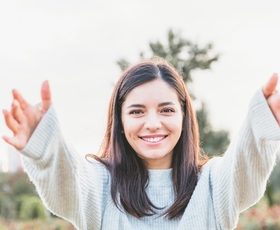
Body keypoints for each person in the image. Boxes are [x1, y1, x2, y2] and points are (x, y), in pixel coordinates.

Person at [2, 59, 280, 230]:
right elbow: (66, 180)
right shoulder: (99, 185)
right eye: (136, 111)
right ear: (120, 122)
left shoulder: (212, 183)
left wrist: (263, 121)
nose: (152, 123)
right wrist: (43, 143)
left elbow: (244, 166)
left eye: (166, 110)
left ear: (184, 117)